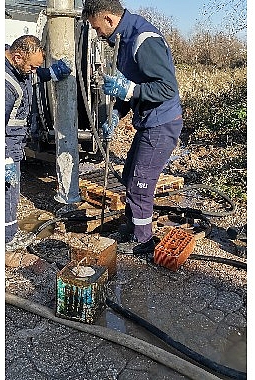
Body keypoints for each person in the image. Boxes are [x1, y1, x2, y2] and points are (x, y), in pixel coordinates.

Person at [82, 0, 184, 257]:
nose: (97, 33)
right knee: (130, 177)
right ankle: (132, 226)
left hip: (162, 122)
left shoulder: (144, 40)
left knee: (140, 184)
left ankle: (143, 241)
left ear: (108, 19)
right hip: (149, 120)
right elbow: (131, 89)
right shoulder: (125, 42)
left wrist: (129, 90)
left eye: (96, 28)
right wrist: (115, 114)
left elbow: (167, 88)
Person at [5, 35, 71, 251]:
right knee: (8, 192)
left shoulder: (19, 68)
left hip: (14, 143)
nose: (34, 71)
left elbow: (32, 77)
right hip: (6, 146)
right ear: (17, 57)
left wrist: (50, 73)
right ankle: (7, 239)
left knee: (10, 191)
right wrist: (4, 158)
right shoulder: (5, 85)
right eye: (33, 66)